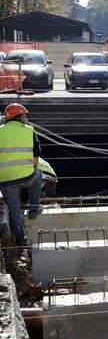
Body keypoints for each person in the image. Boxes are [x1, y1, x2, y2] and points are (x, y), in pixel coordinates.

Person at [0, 103, 42, 247]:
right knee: (38, 176)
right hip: (27, 176)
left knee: (14, 207)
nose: (26, 117)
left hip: (5, 179)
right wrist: (34, 167)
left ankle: (21, 240)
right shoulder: (29, 130)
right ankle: (34, 208)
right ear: (19, 116)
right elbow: (37, 154)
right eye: (24, 115)